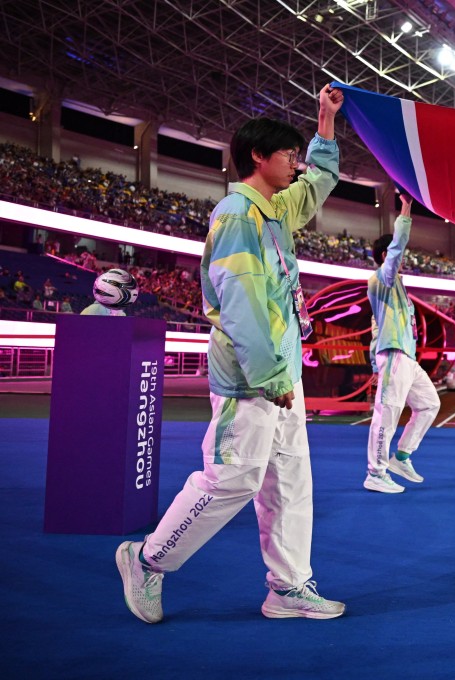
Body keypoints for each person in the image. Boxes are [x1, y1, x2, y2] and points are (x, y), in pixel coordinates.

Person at [115, 84, 347, 624]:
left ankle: (289, 586)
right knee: (232, 478)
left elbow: (318, 184)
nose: (296, 163)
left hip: (281, 373)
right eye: (288, 154)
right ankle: (148, 559)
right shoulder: (239, 215)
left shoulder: (272, 211)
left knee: (290, 480)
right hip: (252, 378)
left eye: (296, 153)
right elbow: (240, 304)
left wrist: (324, 121)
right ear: (258, 158)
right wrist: (269, 374)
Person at [363, 193, 441, 494]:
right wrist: (406, 212)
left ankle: (402, 456)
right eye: (397, 255)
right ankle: (375, 472)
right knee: (388, 414)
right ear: (386, 256)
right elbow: (396, 252)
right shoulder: (381, 279)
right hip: (394, 355)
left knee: (429, 404)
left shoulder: (396, 288)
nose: (403, 259)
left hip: (407, 358)